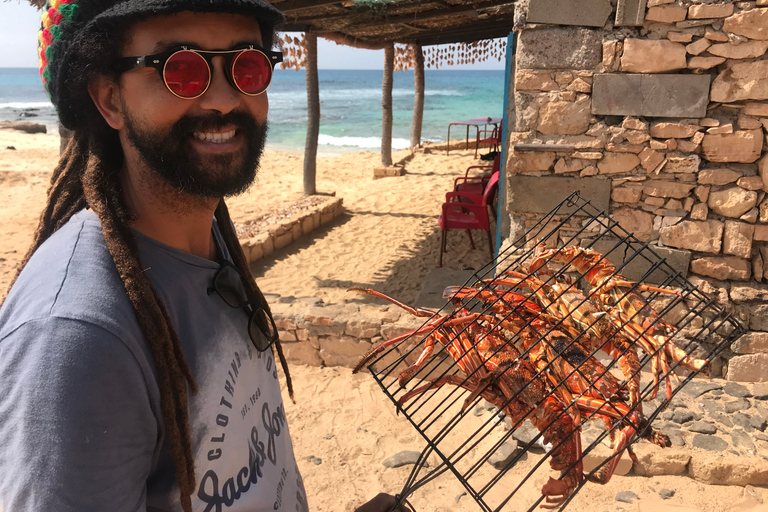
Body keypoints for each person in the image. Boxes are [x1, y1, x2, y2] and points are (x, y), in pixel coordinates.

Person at [0, 1, 408, 511]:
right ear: (110, 100)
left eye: (247, 66)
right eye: (182, 70)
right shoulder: (78, 338)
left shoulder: (208, 243)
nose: (223, 99)